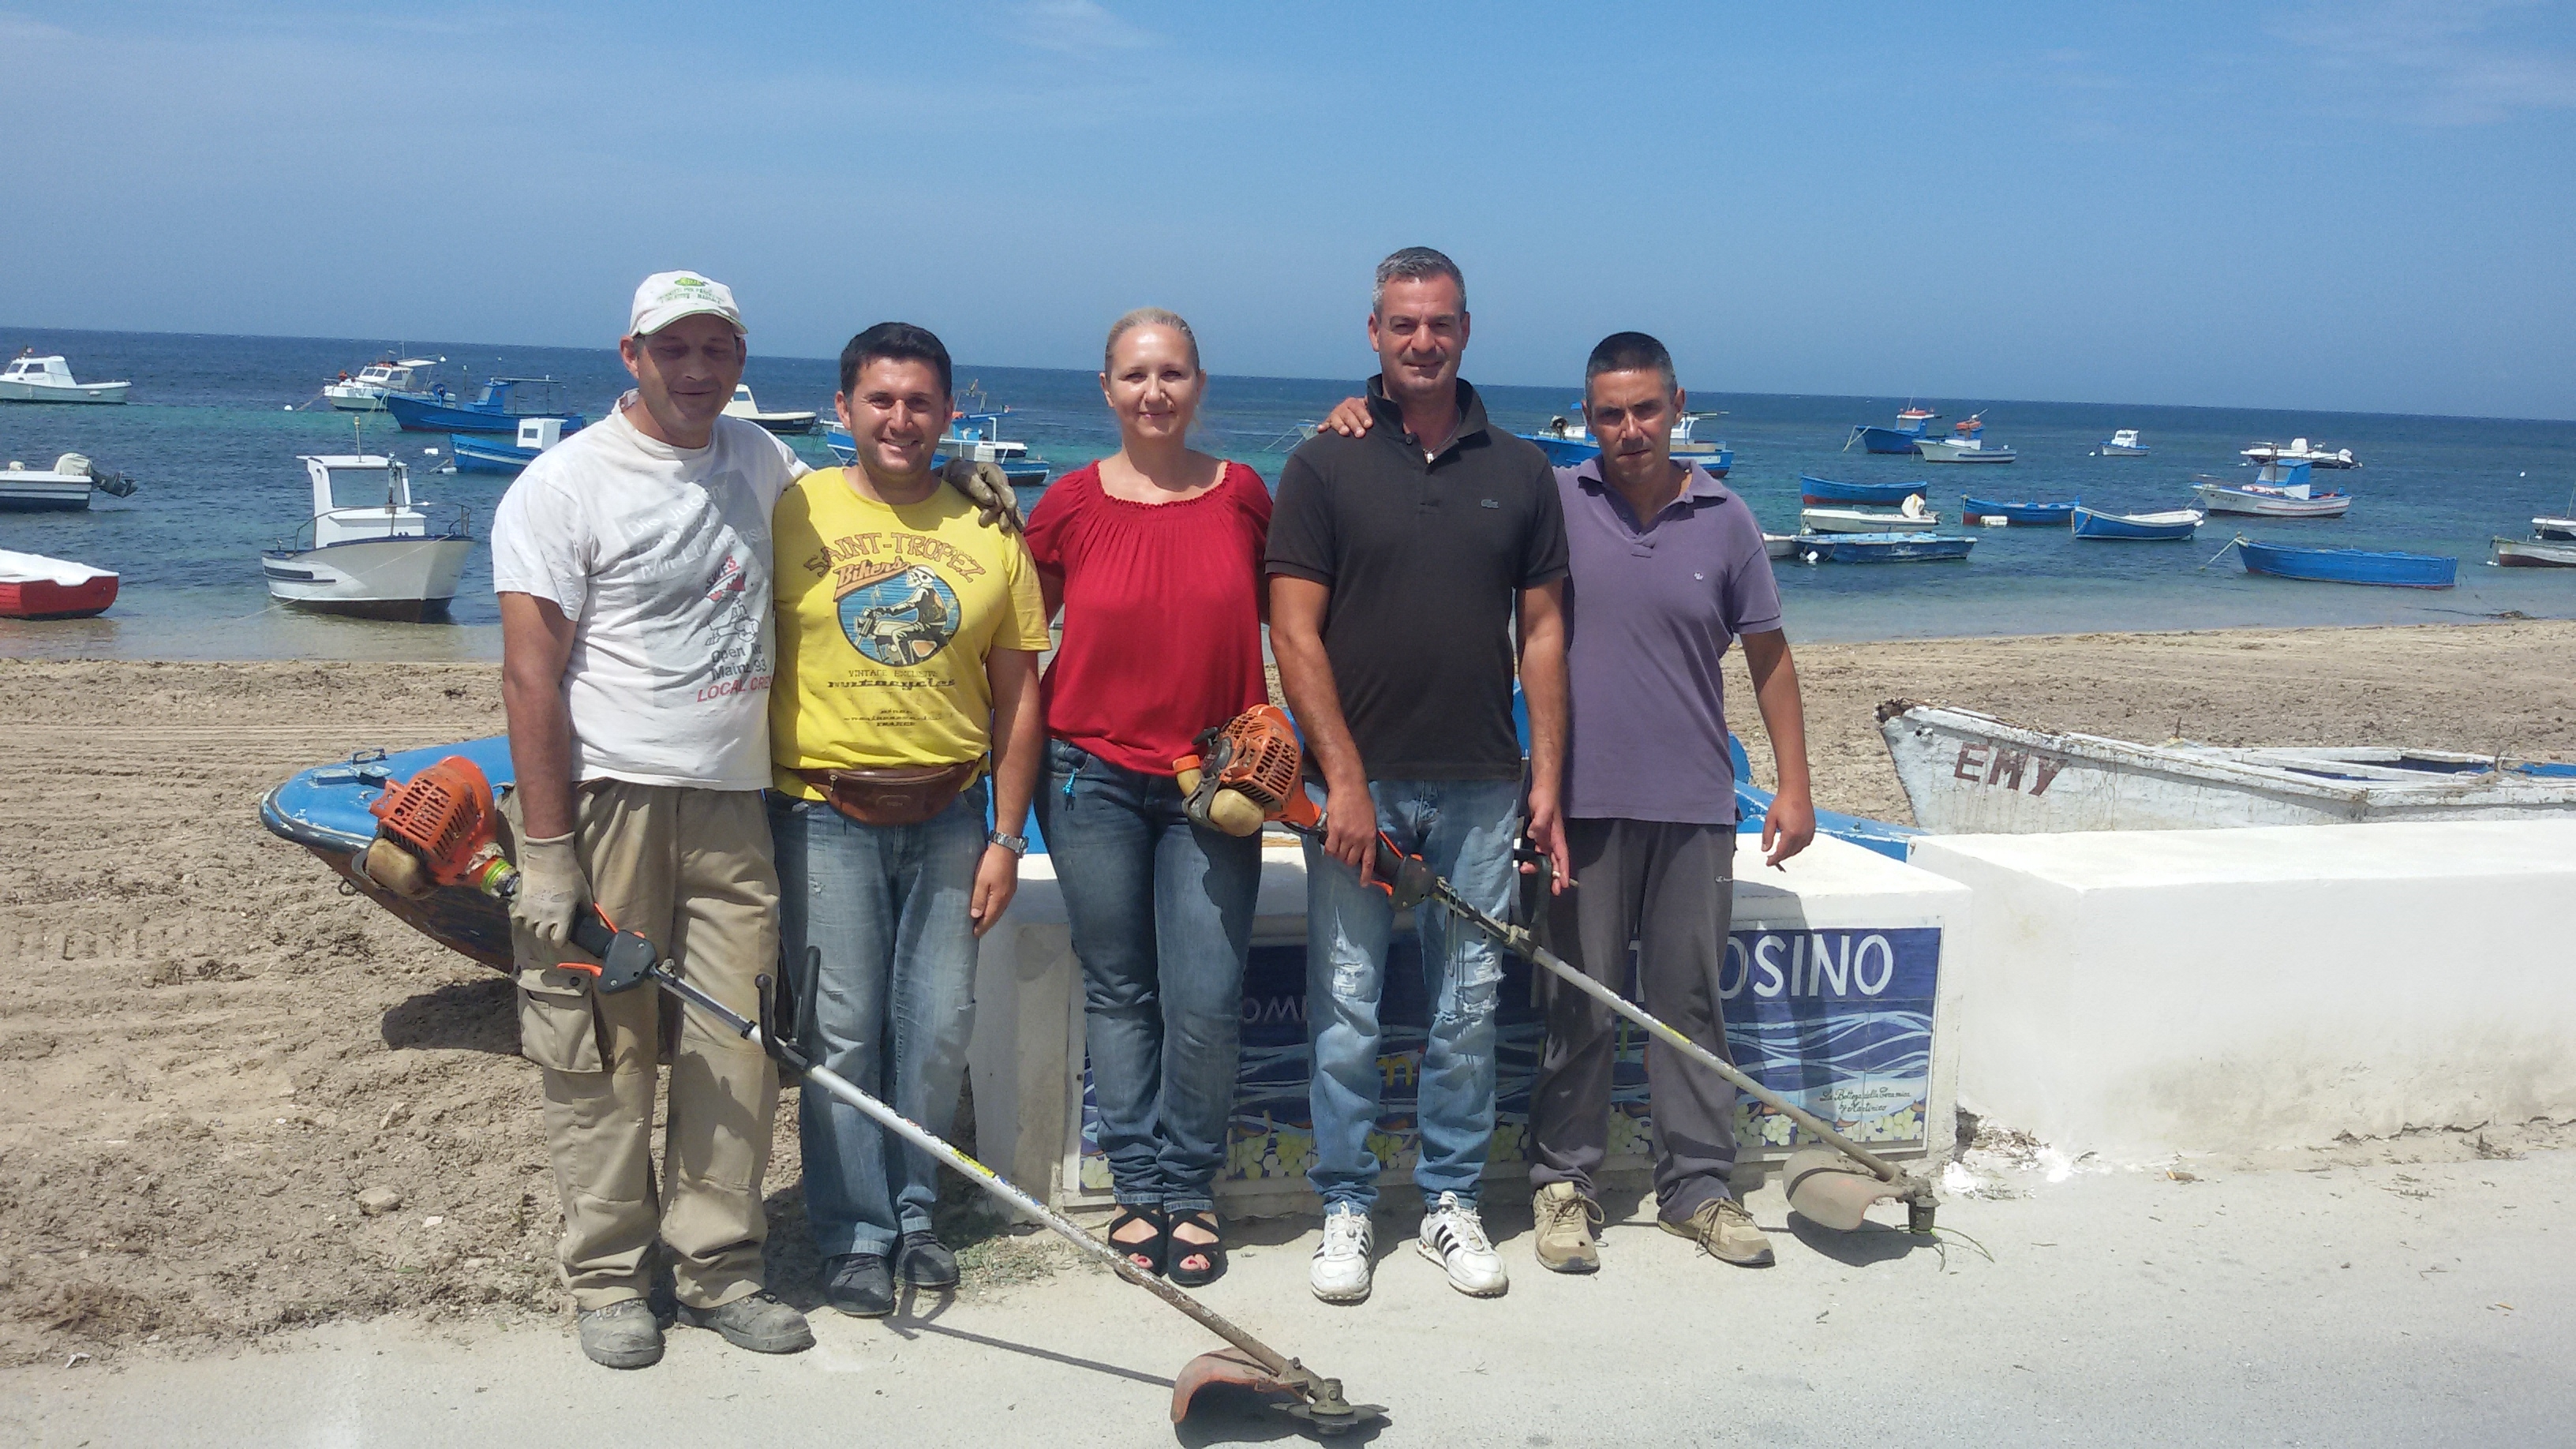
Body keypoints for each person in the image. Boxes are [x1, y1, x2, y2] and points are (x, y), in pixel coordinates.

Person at [489, 270, 816, 1369]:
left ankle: (719, 1269)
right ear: (630, 356)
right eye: (673, 348)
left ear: (740, 361)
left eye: (716, 349)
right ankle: (610, 1281)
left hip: (734, 801)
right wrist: (547, 853)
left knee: (737, 1042)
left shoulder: (762, 459)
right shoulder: (562, 485)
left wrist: (956, 478)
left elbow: (863, 509)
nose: (696, 370)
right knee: (602, 1046)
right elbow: (530, 676)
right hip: (608, 799)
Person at [1267, 246, 1571, 1305]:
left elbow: (1543, 633)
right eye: (1404, 323)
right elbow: (1293, 633)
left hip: (1484, 783)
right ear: (1375, 333)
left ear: (1466, 331)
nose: (1423, 341)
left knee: (1467, 1010)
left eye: (1440, 323)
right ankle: (1346, 1204)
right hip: (1359, 789)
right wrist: (1344, 783)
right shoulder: (1325, 463)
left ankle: (1449, 1200)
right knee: (1347, 1006)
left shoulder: (1522, 472)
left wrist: (1545, 773)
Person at [768, 322, 1051, 1320]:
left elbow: (1019, 696)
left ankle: (917, 1211)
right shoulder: (790, 507)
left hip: (951, 818)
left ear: (948, 413)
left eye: (920, 402)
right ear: (843, 408)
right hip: (821, 813)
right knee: (841, 1035)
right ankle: (855, 1234)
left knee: (936, 1029)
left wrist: (1008, 836)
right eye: (880, 400)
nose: (900, 419)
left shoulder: (990, 525)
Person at [1524, 332, 1816, 1273]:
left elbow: (1769, 658)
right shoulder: (1554, 501)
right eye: (1611, 414)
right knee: (1579, 1002)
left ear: (1677, 405)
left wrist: (1796, 786)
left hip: (1694, 801)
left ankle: (1697, 1188)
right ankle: (1564, 1185)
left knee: (1688, 1003)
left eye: (1646, 409)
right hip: (1580, 803)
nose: (1631, 430)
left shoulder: (1727, 517)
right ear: (1587, 418)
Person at [1024, 309, 1272, 1287]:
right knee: (1121, 991)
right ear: (1107, 389)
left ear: (1199, 384)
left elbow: (1307, 613)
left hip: (1216, 784)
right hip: (1087, 775)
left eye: (1172, 374)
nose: (1154, 392)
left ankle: (1188, 1185)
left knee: (1205, 996)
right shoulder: (1069, 503)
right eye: (1135, 375)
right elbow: (1012, 640)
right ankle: (1139, 1187)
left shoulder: (1245, 495)